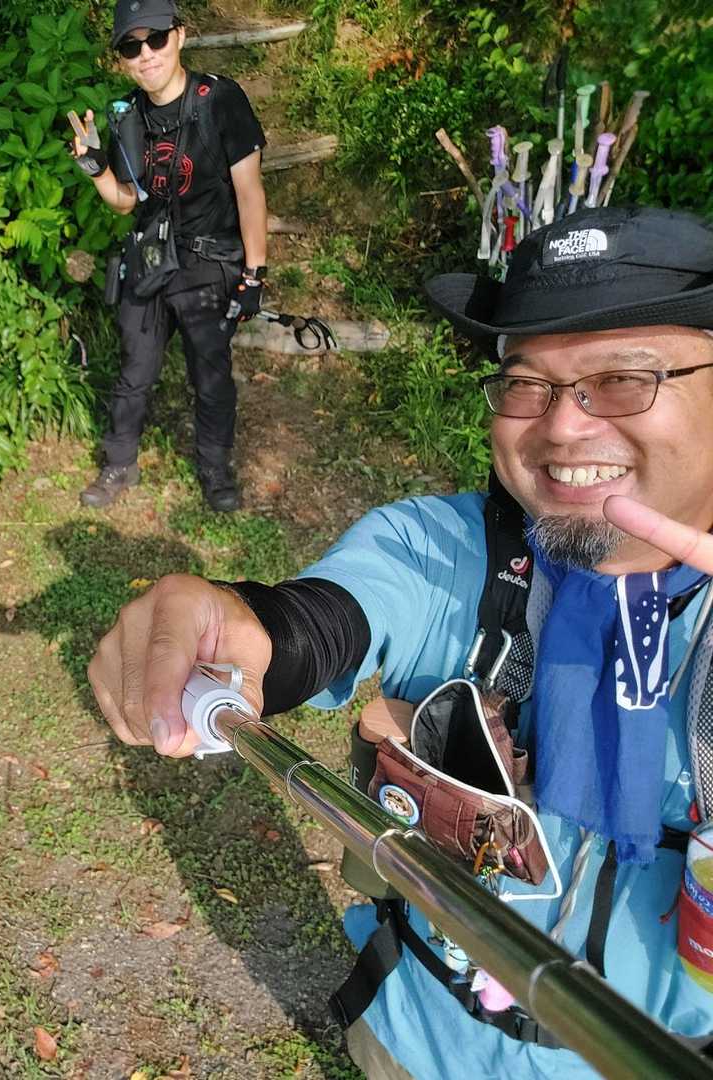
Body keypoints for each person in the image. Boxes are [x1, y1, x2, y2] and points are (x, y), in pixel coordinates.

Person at [88, 205, 713, 1077]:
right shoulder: (457, 550)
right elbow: (324, 619)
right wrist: (239, 625)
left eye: (621, 379)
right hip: (417, 1044)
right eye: (525, 382)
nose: (563, 427)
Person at [71, 0, 269, 512]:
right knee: (135, 367)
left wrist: (254, 273)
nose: (146, 55)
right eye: (131, 47)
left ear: (180, 35)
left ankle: (214, 468)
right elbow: (126, 201)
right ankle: (119, 464)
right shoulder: (126, 115)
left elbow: (249, 192)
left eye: (156, 39)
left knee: (210, 372)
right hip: (151, 257)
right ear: (121, 59)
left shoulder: (220, 99)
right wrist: (96, 169)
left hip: (208, 261)